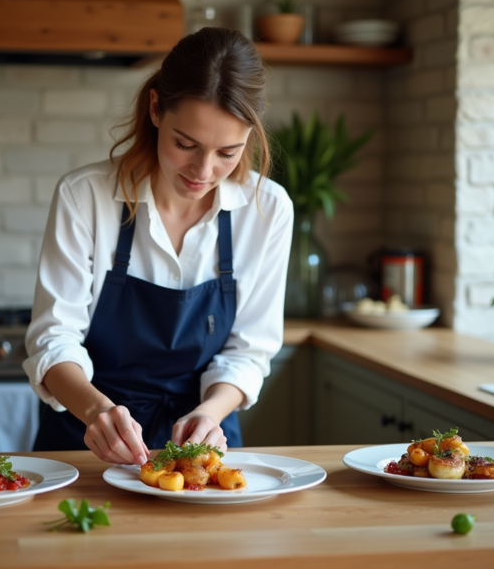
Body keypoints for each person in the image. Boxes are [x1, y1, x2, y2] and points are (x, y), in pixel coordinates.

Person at [24, 27, 294, 466]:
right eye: (185, 144)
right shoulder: (85, 196)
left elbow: (249, 351)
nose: (203, 171)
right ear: (155, 109)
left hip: (204, 447)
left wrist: (210, 413)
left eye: (227, 152)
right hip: (85, 441)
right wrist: (98, 411)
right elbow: (54, 339)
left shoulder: (268, 209)